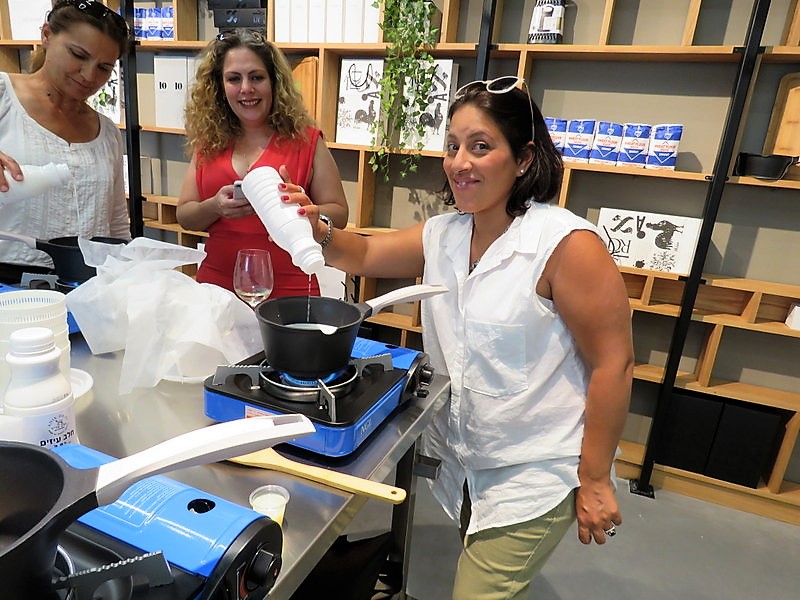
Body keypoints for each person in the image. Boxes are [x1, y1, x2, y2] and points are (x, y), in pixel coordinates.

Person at [290, 76, 634, 598]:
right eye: (453, 146)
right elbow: (364, 254)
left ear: (524, 158)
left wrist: (595, 479)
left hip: (534, 471)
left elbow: (615, 363)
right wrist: (318, 228)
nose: (459, 162)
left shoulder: (565, 245)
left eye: (480, 146)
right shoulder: (446, 233)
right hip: (467, 462)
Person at [177, 28, 348, 297]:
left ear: (274, 82)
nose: (246, 88)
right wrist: (215, 207)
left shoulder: (307, 141)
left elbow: (340, 214)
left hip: (291, 289)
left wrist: (305, 208)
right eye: (234, 78)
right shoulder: (208, 143)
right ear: (220, 86)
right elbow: (185, 216)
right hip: (216, 288)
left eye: (256, 77)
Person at [0, 0, 131, 283]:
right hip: (7, 284)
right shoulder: (3, 97)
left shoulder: (106, 133)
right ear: (46, 35)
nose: (89, 75)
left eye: (103, 67)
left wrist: (128, 275)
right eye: (78, 55)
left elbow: (116, 223)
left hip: (87, 285)